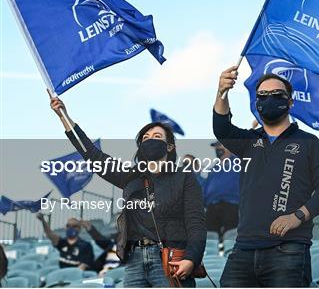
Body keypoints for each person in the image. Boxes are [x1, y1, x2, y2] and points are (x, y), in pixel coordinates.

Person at [49, 96, 206, 288]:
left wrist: (191, 259)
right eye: (145, 138)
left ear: (170, 146)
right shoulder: (130, 176)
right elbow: (92, 154)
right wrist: (64, 116)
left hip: (169, 259)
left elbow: (196, 223)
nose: (150, 140)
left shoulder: (184, 177)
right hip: (134, 261)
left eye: (157, 137)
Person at [214, 66, 319, 287]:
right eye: (262, 95)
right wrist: (222, 92)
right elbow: (221, 129)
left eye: (277, 95)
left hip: (288, 249)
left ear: (290, 102)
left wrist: (296, 216)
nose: (269, 99)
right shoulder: (249, 141)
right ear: (256, 104)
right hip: (243, 248)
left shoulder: (310, 143)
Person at [204, 142, 240, 240]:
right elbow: (206, 187)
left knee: (231, 234)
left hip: (232, 203)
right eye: (216, 146)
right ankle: (211, 254)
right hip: (212, 206)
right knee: (210, 236)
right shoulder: (213, 168)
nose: (218, 148)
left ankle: (230, 253)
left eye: (221, 145)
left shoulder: (238, 161)